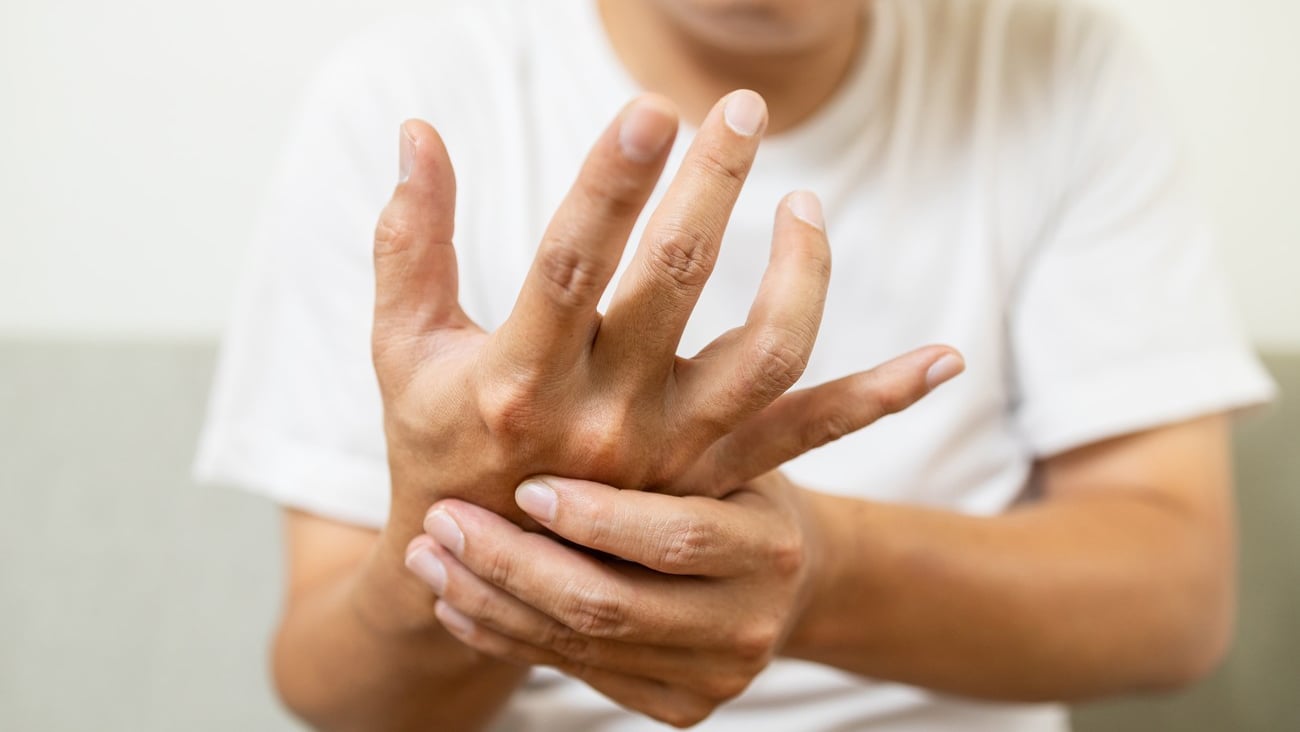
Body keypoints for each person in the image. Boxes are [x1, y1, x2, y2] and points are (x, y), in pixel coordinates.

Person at [194, 0, 1276, 730]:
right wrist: (477, 540)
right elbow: (330, 684)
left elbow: (1173, 602)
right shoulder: (413, 93)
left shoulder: (1048, 60)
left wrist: (826, 570)